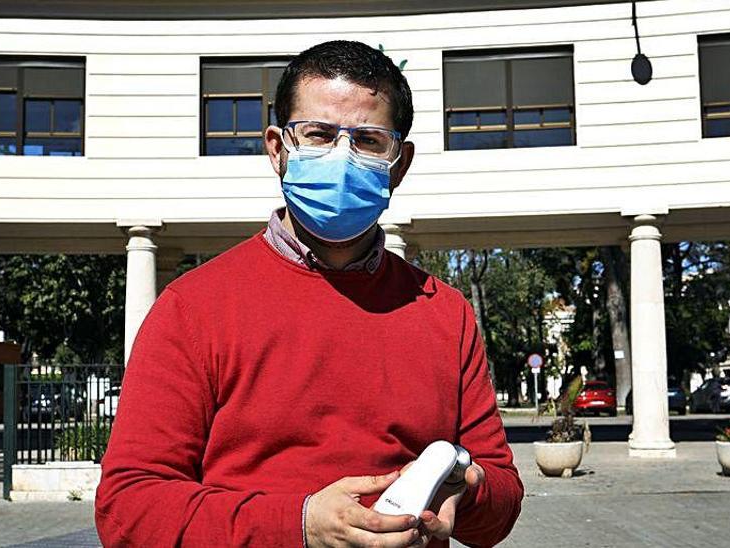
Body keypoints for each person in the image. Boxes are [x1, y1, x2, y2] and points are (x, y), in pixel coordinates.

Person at [96, 41, 523, 547]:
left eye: (368, 140)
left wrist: (467, 489)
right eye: (318, 135)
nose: (341, 157)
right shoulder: (192, 307)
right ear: (277, 149)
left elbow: (501, 497)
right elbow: (128, 509)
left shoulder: (444, 312)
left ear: (400, 164)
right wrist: (298, 525)